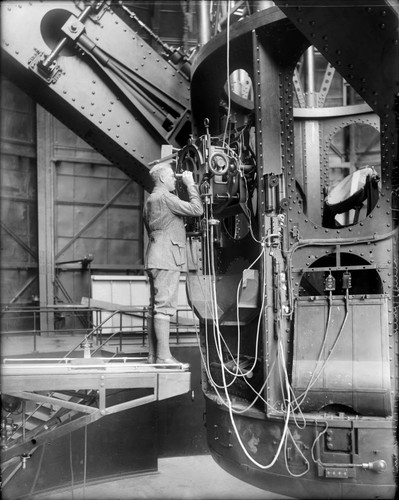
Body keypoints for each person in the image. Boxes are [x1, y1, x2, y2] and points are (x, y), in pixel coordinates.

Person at [143, 162, 203, 365]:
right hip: (168, 257)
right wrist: (190, 184)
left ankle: (153, 356)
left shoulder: (150, 200)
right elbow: (197, 209)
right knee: (165, 308)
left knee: (155, 307)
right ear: (161, 178)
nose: (174, 180)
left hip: (154, 256)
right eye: (171, 177)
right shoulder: (167, 198)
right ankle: (164, 356)